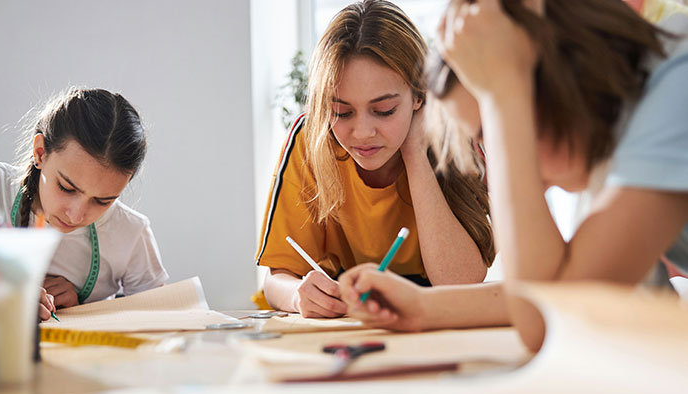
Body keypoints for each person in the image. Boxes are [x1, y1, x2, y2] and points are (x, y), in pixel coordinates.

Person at [339, 0, 688, 352]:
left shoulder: (678, 81)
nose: (505, 162)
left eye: (498, 132)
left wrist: (505, 93)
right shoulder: (622, 142)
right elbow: (558, 292)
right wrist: (424, 307)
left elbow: (548, 322)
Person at [255, 0, 494, 318]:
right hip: (342, 325)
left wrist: (414, 152)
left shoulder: (457, 137)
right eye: (341, 111)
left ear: (419, 96)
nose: (362, 133)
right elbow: (277, 278)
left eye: (384, 110)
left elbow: (461, 284)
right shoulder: (308, 141)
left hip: (434, 320)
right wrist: (298, 297)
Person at [0, 87, 168, 321]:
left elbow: (162, 322)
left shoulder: (131, 233)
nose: (76, 216)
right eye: (66, 187)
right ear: (40, 152)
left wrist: (83, 307)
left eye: (103, 201)